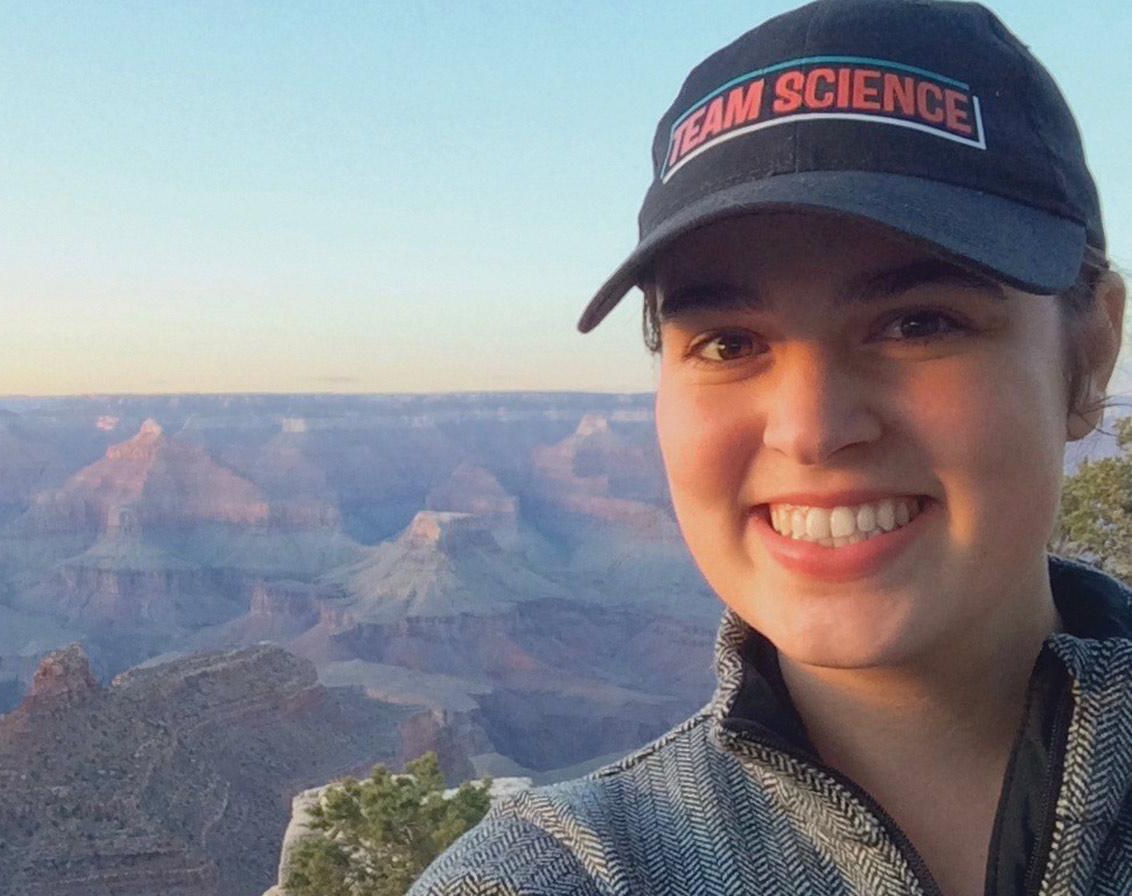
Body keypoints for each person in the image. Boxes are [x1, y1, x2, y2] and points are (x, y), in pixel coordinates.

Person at [407, 1, 1129, 895]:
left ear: (1089, 353)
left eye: (917, 322)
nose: (811, 429)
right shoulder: (555, 877)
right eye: (728, 343)